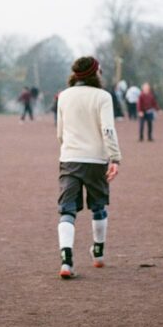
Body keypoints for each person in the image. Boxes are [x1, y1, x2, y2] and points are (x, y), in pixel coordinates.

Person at [55, 56, 121, 279]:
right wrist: (115, 158)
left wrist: (68, 149)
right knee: (98, 206)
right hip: (96, 159)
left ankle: (66, 261)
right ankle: (98, 253)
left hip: (70, 159)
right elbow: (108, 130)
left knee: (67, 210)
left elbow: (60, 132)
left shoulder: (64, 96)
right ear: (95, 73)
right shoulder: (103, 97)